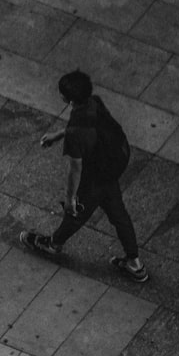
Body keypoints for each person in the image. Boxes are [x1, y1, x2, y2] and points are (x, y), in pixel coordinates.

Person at [20, 69, 148, 283]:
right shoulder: (95, 102)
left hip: (96, 176)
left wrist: (70, 199)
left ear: (65, 99)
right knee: (119, 215)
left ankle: (53, 244)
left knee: (77, 212)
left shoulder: (76, 134)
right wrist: (59, 135)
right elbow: (85, 128)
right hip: (112, 166)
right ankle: (135, 263)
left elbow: (75, 169)